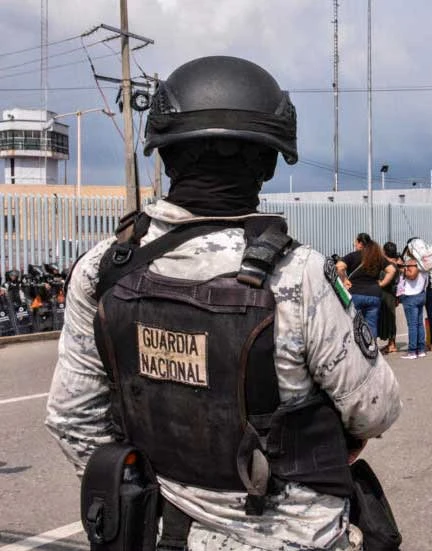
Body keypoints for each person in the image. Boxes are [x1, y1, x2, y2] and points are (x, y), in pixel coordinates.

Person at [44, 56, 400, 551]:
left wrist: (156, 484)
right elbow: (375, 410)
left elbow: (71, 418)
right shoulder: (295, 274)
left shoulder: (104, 269)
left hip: (163, 530)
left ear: (166, 154)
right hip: (291, 536)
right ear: (270, 161)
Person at [336, 233, 396, 339]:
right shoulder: (377, 257)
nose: (354, 244)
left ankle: (356, 350)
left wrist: (344, 280)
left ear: (359, 243)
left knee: (354, 324)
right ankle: (371, 350)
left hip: (355, 294)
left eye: (355, 242)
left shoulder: (353, 256)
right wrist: (382, 283)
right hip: (374, 295)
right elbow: (392, 270)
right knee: (371, 325)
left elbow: (339, 267)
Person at [399, 256, 428, 359]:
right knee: (419, 324)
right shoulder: (426, 263)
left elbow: (412, 275)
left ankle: (412, 351)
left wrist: (402, 270)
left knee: (412, 325)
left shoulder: (415, 263)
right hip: (420, 294)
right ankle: (420, 350)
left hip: (411, 296)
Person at [378, 241, 401, 354]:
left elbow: (384, 280)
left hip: (387, 294)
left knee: (389, 319)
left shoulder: (389, 265)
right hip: (391, 294)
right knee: (389, 318)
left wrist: (378, 281)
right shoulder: (395, 264)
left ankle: (392, 344)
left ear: (385, 251)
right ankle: (391, 343)